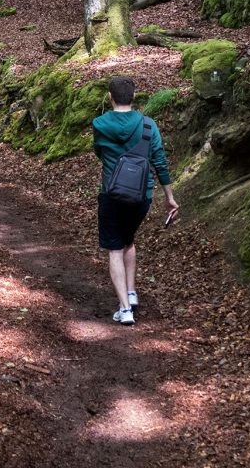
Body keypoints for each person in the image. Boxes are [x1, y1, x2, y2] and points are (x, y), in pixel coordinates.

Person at [91, 75, 179, 326]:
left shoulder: (100, 123)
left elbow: (99, 151)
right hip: (142, 197)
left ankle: (125, 308)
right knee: (128, 239)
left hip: (111, 194)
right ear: (134, 96)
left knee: (115, 249)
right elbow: (159, 162)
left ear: (110, 97)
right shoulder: (148, 125)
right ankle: (131, 292)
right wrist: (170, 197)